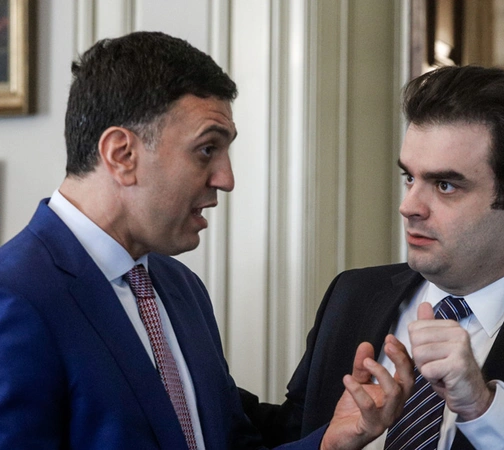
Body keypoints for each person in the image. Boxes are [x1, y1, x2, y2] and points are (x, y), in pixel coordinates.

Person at [0, 31, 415, 449]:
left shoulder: (180, 287)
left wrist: (331, 442)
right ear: (122, 154)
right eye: (206, 150)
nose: (226, 179)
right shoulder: (16, 298)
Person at [241, 65, 504, 449]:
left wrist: (484, 408)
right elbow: (290, 434)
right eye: (410, 178)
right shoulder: (353, 294)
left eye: (445, 185)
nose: (409, 206)